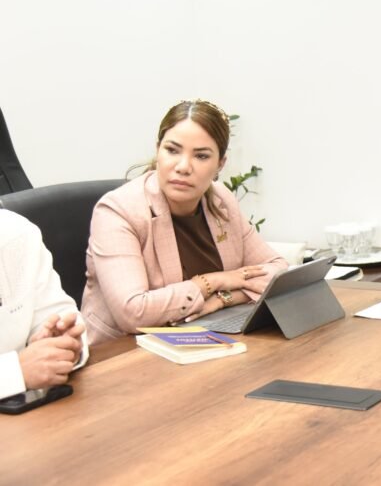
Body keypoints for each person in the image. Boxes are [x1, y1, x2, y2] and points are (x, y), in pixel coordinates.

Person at [81, 99, 287, 345]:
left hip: (202, 340)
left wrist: (222, 299)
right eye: (172, 150)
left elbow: (277, 271)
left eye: (201, 156)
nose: (183, 167)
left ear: (220, 164)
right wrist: (212, 282)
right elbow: (133, 312)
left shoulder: (221, 200)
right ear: (158, 150)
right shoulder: (119, 210)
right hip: (124, 352)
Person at [1, 209, 88, 399]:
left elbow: (58, 311)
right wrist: (15, 372)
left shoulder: (17, 231)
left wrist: (60, 343)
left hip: (29, 404)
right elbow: (21, 370)